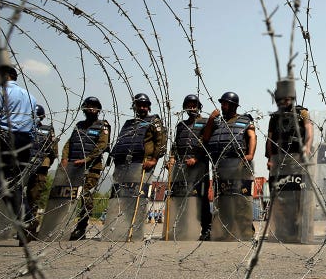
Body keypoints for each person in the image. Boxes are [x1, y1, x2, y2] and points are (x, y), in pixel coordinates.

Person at [108, 93, 166, 240]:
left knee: (138, 198)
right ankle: (121, 230)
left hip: (143, 165)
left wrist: (154, 160)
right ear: (134, 106)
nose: (142, 107)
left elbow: (161, 142)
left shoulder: (154, 121)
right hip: (125, 166)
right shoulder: (129, 123)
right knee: (123, 198)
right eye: (139, 105)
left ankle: (135, 231)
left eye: (145, 105)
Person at [202, 92, 256, 241]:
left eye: (225, 103)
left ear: (233, 105)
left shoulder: (244, 120)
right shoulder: (218, 122)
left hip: (239, 164)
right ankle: (225, 231)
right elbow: (206, 138)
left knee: (241, 199)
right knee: (223, 200)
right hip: (221, 165)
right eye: (222, 103)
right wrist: (211, 119)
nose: (222, 106)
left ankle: (245, 232)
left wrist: (250, 154)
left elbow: (252, 136)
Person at [265, 78, 314, 242]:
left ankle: (300, 229)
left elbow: (309, 129)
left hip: (296, 158)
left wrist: (307, 146)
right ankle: (283, 230)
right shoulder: (275, 117)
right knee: (281, 196)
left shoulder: (302, 112)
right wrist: (270, 158)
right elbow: (270, 138)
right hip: (279, 159)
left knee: (298, 194)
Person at [0, 49, 37, 245]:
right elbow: (34, 123)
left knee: (2, 183)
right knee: (15, 183)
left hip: (7, 138)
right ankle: (27, 220)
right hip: (25, 141)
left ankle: (25, 219)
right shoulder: (30, 97)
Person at [60, 97, 110, 240]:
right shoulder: (79, 125)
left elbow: (101, 146)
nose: (91, 109)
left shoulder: (103, 126)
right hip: (73, 166)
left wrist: (86, 160)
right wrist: (64, 158)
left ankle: (81, 227)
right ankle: (61, 225)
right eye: (88, 106)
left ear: (98, 109)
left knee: (86, 196)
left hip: (92, 168)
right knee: (67, 195)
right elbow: (69, 143)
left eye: (94, 106)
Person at [166, 94, 211, 240]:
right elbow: (175, 145)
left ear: (199, 107)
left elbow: (208, 143)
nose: (191, 107)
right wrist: (172, 159)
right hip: (182, 166)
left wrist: (197, 158)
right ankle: (183, 228)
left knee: (200, 198)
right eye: (189, 105)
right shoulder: (181, 125)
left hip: (199, 166)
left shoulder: (205, 122)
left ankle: (206, 229)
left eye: (194, 105)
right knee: (181, 197)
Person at [24, 104, 58, 239]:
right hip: (23, 166)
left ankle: (30, 227)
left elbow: (53, 151)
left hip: (40, 168)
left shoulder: (47, 130)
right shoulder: (22, 129)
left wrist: (46, 164)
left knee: (34, 197)